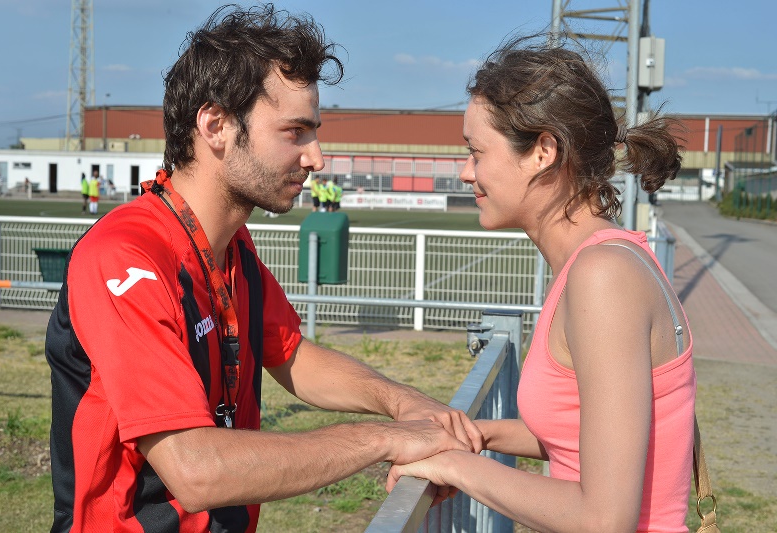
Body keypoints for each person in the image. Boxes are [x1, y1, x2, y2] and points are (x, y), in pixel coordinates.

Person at [45, 5, 480, 532]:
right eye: (295, 132)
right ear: (216, 126)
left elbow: (291, 353)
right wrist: (386, 439)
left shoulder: (230, 245)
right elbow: (197, 471)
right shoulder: (125, 257)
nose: (317, 157)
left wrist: (402, 402)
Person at [387, 35, 693, 532]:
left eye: (476, 151)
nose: (466, 173)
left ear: (543, 151)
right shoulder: (602, 261)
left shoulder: (603, 277)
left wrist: (455, 467)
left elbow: (603, 519)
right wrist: (476, 435)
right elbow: (582, 431)